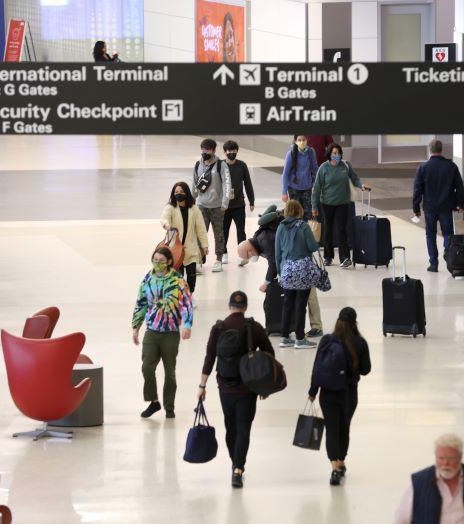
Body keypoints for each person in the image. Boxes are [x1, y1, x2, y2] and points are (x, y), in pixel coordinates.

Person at [198, 291, 274, 488]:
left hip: (225, 386)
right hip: (248, 388)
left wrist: (202, 386)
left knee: (231, 428)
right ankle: (238, 468)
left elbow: (209, 358)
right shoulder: (254, 327)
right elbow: (269, 354)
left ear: (229, 305)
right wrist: (263, 382)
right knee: (244, 428)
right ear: (246, 307)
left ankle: (235, 461)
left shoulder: (219, 328)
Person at [307, 307, 371, 486]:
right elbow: (366, 370)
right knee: (344, 428)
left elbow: (317, 367)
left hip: (327, 393)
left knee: (331, 429)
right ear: (354, 322)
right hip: (349, 393)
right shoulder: (360, 342)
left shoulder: (327, 340)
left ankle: (334, 466)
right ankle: (341, 461)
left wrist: (313, 391)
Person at [237, 206, 324, 338]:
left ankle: (317, 327)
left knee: (310, 293)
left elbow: (273, 262)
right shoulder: (258, 239)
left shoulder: (264, 240)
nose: (250, 259)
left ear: (250, 250)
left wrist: (266, 282)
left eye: (248, 256)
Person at [132, 246, 193, 419]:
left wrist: (187, 325)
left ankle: (169, 406)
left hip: (170, 332)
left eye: (161, 261)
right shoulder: (147, 279)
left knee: (170, 372)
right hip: (151, 331)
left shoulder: (178, 280)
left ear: (169, 262)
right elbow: (141, 303)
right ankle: (153, 401)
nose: (157, 264)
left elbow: (187, 303)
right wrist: (136, 327)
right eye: (155, 260)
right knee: (147, 368)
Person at [392, 434, 464, 524]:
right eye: (441, 458)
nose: (445, 463)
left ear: (460, 457)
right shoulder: (418, 482)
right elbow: (400, 522)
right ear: (435, 456)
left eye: (451, 458)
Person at [412, 139, 464, 273]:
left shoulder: (423, 167)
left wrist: (416, 208)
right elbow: (459, 187)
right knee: (448, 233)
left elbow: (417, 190)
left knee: (430, 235)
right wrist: (460, 204)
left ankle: (433, 264)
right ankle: (448, 254)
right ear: (441, 150)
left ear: (430, 150)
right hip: (446, 206)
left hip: (429, 207)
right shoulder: (451, 166)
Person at [312, 143, 369, 268]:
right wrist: (314, 207)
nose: (337, 155)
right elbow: (316, 189)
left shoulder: (346, 166)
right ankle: (328, 257)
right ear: (329, 154)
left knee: (342, 229)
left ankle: (345, 257)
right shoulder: (323, 168)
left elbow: (355, 178)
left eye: (338, 153)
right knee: (328, 230)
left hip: (342, 203)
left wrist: (361, 185)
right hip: (327, 204)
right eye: (334, 153)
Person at [275, 200, 318, 349]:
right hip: (302, 270)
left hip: (286, 269)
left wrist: (280, 271)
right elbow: (313, 246)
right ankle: (300, 339)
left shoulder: (280, 227)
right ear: (299, 210)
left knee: (287, 304)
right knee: (301, 304)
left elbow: (277, 253)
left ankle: (284, 337)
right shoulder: (304, 226)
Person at [160, 181, 208, 295]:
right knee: (178, 276)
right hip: (175, 249)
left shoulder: (194, 209)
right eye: (176, 192)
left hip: (191, 248)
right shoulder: (170, 207)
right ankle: (181, 297)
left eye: (181, 191)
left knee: (192, 276)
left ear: (186, 193)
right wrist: (166, 224)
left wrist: (204, 245)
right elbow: (164, 218)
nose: (178, 194)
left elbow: (201, 228)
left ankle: (190, 295)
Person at [191, 138, 232, 273]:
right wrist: (192, 202)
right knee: (200, 234)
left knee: (218, 234)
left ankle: (218, 259)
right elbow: (195, 184)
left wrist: (225, 202)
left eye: (207, 149)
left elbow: (227, 183)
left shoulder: (221, 165)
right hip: (202, 205)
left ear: (214, 150)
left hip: (217, 206)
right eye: (203, 149)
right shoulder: (198, 165)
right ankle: (198, 261)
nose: (204, 152)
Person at [221, 140, 255, 267]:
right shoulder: (221, 166)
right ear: (225, 152)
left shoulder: (242, 165)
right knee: (224, 230)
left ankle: (242, 255)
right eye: (229, 151)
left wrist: (251, 201)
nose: (232, 153)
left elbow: (248, 183)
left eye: (234, 151)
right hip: (224, 206)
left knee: (241, 231)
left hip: (239, 205)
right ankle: (223, 253)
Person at [281, 135, 318, 221]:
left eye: (304, 140)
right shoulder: (291, 154)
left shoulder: (311, 152)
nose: (302, 142)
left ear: (307, 140)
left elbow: (315, 170)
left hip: (307, 188)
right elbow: (285, 173)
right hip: (294, 189)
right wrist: (284, 192)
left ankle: (305, 233)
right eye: (299, 140)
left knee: (308, 215)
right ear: (296, 141)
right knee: (295, 215)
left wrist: (318, 185)